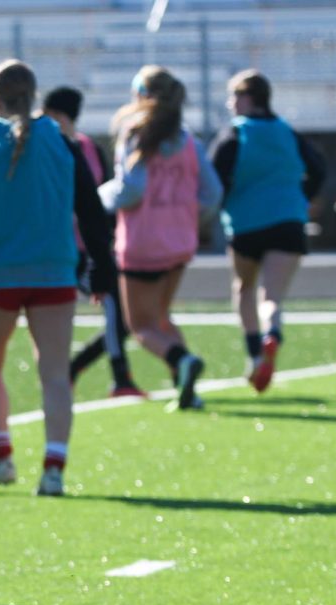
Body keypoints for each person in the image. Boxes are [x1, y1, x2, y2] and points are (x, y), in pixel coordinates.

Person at [0, 60, 116, 497]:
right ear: (33, 96)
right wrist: (101, 269)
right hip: (54, 272)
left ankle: (1, 457)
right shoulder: (64, 144)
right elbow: (92, 213)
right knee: (55, 373)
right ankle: (53, 469)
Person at [98, 66, 222, 412]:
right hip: (179, 243)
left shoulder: (136, 134)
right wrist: (183, 217)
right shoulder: (188, 141)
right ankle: (187, 390)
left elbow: (130, 190)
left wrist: (96, 199)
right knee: (162, 317)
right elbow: (212, 194)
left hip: (143, 244)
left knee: (141, 327)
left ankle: (182, 361)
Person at [209, 70, 327, 393]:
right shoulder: (287, 132)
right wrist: (300, 197)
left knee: (244, 288)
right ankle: (272, 333)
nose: (231, 104)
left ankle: (254, 354)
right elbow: (318, 169)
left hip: (246, 223)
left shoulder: (234, 135)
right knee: (272, 296)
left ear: (248, 98)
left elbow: (213, 179)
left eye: (235, 97)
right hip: (288, 219)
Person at [42, 86, 145, 400]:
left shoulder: (85, 147)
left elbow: (98, 200)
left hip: (88, 246)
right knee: (115, 308)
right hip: (64, 249)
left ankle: (76, 368)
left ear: (60, 116)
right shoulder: (45, 148)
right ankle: (119, 376)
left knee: (125, 316)